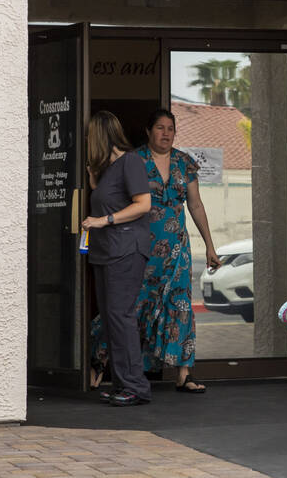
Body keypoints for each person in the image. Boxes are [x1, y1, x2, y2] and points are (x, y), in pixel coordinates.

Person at [89, 108, 222, 394]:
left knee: (180, 305)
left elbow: (195, 205)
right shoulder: (133, 160)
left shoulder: (184, 163)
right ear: (148, 131)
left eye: (171, 128)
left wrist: (210, 246)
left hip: (177, 250)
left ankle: (183, 373)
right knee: (128, 307)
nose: (166, 133)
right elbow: (111, 195)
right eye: (160, 128)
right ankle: (99, 362)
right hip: (140, 247)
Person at [80, 110, 155, 407]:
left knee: (121, 317)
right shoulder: (109, 168)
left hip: (125, 250)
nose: (87, 140)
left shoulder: (131, 161)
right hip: (105, 251)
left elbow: (143, 204)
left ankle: (136, 387)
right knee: (112, 319)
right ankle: (123, 383)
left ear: (101, 135)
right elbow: (109, 196)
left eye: (90, 135)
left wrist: (103, 220)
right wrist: (94, 180)